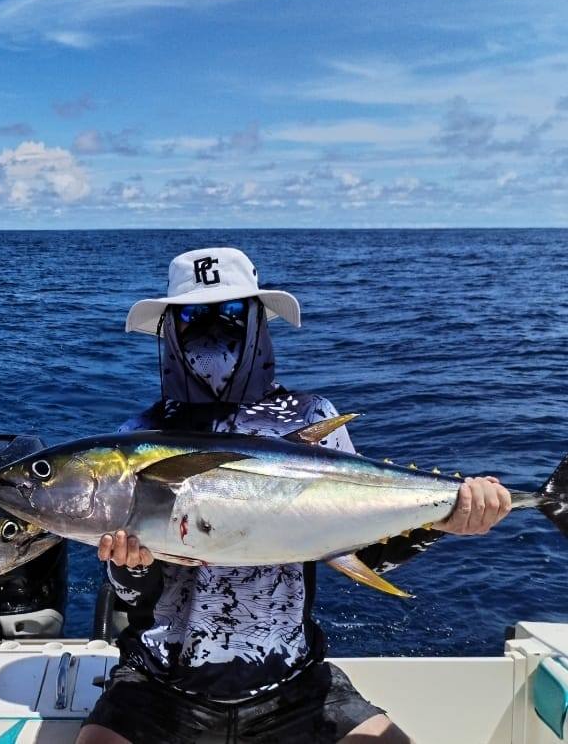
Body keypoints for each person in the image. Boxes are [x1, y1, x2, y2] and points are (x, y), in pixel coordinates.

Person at [79, 248, 512, 744]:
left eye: (233, 312)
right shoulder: (140, 436)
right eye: (193, 315)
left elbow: (362, 545)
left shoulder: (310, 417)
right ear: (170, 329)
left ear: (259, 322)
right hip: (160, 683)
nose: (214, 327)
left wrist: (443, 521)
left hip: (291, 684)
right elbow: (134, 595)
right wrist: (130, 566)